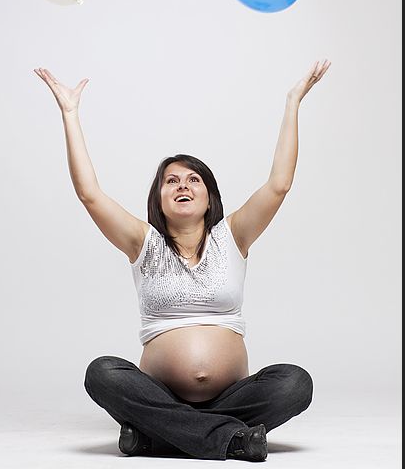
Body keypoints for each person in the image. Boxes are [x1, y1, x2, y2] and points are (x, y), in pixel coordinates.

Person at [34, 59, 331, 461]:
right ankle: (232, 439)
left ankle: (158, 434)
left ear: (210, 195)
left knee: (295, 383)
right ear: (158, 197)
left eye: (194, 180)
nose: (183, 186)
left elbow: (279, 185)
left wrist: (292, 103)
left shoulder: (234, 235)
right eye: (171, 181)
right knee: (102, 372)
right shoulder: (143, 241)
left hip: (233, 395)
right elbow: (90, 193)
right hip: (157, 391)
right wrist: (70, 114)